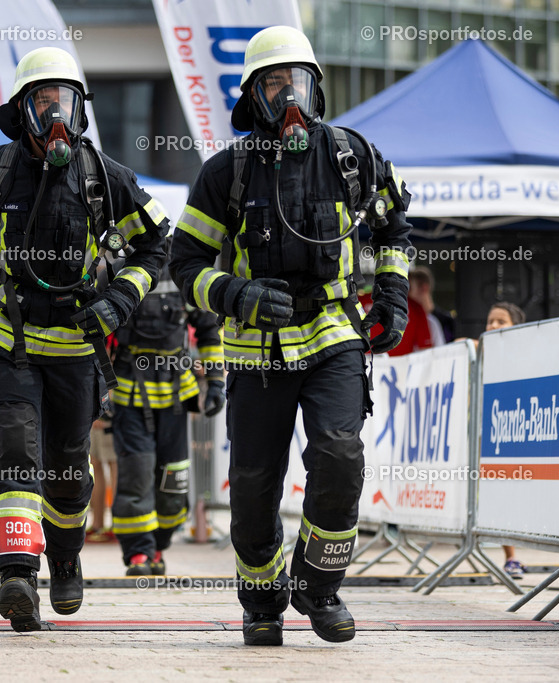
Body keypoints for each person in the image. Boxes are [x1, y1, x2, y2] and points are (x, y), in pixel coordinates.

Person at [169, 26, 412, 646]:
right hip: (256, 347)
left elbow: (394, 233)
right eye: (274, 86)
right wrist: (234, 293)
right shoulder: (226, 173)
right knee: (254, 481)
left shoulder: (354, 156)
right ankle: (262, 601)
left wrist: (390, 295)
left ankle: (319, 586)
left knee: (339, 454)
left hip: (333, 331)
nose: (289, 100)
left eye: (297, 84)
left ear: (316, 89)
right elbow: (185, 262)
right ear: (255, 97)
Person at [0, 47, 168, 631]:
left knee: (67, 469)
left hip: (78, 349)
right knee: (13, 451)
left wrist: (119, 301)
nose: (55, 114)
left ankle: (64, 558)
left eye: (64, 101)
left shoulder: (108, 177)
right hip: (9, 341)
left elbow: (155, 246)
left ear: (81, 109)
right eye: (42, 102)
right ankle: (16, 573)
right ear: (22, 112)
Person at [110, 259, 224, 576]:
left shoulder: (185, 270)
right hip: (130, 394)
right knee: (137, 474)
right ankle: (138, 554)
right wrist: (97, 388)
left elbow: (209, 330)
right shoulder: (118, 267)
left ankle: (158, 547)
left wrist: (215, 382)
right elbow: (99, 332)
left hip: (176, 395)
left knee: (173, 481)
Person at [484, 301, 527, 579]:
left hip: (525, 432)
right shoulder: (480, 354)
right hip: (493, 436)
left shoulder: (529, 356)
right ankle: (511, 557)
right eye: (490, 321)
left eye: (502, 321)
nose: (494, 326)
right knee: (498, 491)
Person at [86, 413, 117, 543]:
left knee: (114, 462)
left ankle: (116, 526)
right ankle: (98, 525)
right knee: (95, 462)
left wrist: (102, 412)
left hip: (109, 409)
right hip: (98, 407)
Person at [409, 265, 453, 345]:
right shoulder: (410, 321)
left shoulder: (447, 323)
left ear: (424, 288)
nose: (406, 295)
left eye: (409, 288)